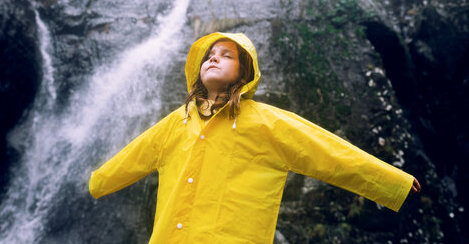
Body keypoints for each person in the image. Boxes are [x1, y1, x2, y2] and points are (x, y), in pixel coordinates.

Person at [89, 32, 421, 244]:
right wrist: (97, 183)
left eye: (226, 55)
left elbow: (327, 151)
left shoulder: (265, 122)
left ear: (245, 72)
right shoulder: (178, 121)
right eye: (209, 55)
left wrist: (391, 182)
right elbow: (134, 155)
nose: (214, 57)